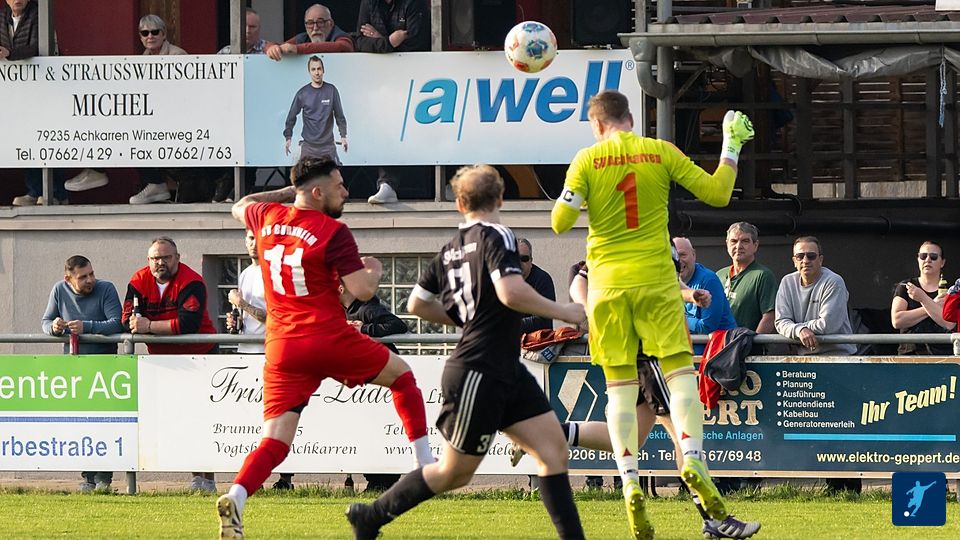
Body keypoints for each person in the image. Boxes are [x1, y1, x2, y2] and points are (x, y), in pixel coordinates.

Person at [551, 89, 754, 539]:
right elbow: (718, 193)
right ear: (630, 119)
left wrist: (573, 196)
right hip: (657, 286)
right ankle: (694, 462)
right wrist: (731, 145)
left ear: (596, 124)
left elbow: (560, 222)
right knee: (681, 379)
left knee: (620, 393)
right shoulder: (659, 152)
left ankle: (629, 482)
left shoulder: (586, 159)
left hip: (608, 290)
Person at [346, 164, 587, 539]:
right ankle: (372, 515)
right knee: (454, 472)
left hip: (503, 367)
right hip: (479, 370)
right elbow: (510, 292)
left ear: (459, 204)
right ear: (501, 198)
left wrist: (468, 318)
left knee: (553, 450)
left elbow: (417, 304)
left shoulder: (451, 249)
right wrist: (565, 311)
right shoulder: (498, 234)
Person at [215, 157, 434, 540]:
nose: (346, 192)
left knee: (275, 440)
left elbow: (240, 204)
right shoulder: (332, 231)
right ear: (317, 192)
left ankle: (237, 495)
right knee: (402, 377)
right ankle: (424, 463)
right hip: (325, 335)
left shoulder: (267, 216)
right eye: (339, 185)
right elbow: (362, 291)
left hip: (282, 346)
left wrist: (288, 191)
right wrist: (375, 270)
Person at [512, 260, 760, 540]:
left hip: (638, 352)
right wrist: (591, 311)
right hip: (652, 352)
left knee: (632, 437)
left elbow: (667, 282)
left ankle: (542, 433)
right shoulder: (623, 242)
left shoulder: (653, 244)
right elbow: (580, 280)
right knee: (684, 437)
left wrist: (689, 295)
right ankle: (714, 519)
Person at [275, 282, 409, 492]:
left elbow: (398, 325)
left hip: (381, 377)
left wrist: (363, 329)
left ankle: (383, 480)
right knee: (363, 428)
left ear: (340, 289)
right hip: (364, 378)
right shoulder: (339, 310)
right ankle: (377, 480)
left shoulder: (366, 308)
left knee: (375, 427)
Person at [122, 237, 219, 492]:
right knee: (177, 420)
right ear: (148, 260)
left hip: (200, 358)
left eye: (166, 257)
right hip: (163, 362)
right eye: (156, 258)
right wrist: (142, 325)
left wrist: (149, 326)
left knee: (201, 418)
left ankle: (206, 479)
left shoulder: (191, 281)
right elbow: (126, 320)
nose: (161, 263)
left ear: (177, 258)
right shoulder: (138, 281)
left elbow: (188, 324)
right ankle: (194, 476)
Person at [774, 236, 859, 493]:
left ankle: (850, 487)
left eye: (811, 255)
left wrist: (798, 327)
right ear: (793, 260)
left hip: (839, 363)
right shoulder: (787, 282)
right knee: (819, 428)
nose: (805, 260)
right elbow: (780, 322)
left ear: (821, 259)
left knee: (843, 427)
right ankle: (831, 485)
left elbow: (828, 325)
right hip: (807, 362)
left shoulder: (834, 281)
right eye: (800, 256)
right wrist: (799, 331)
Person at [41, 255, 124, 493]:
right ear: (68, 279)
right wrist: (54, 327)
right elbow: (45, 321)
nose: (90, 280)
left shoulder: (106, 289)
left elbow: (116, 323)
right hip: (75, 369)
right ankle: (88, 478)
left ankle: (104, 478)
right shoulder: (59, 290)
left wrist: (87, 326)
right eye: (83, 277)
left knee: (105, 423)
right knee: (82, 423)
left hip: (105, 368)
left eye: (91, 274)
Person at [357, 0, 429, 205]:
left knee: (425, 132)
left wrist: (379, 39)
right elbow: (360, 42)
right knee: (386, 127)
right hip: (381, 81)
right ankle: (387, 185)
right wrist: (389, 41)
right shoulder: (369, 3)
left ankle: (445, 183)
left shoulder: (413, 3)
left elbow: (416, 42)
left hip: (417, 79)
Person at [4, 0, 67, 206]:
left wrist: (9, 54)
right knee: (27, 139)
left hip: (47, 88)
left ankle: (56, 193)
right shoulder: (3, 17)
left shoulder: (40, 15)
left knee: (50, 138)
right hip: (19, 91)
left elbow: (40, 47)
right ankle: (34, 191)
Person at [129, 14, 186, 205]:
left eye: (154, 32)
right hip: (153, 117)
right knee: (128, 133)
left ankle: (156, 184)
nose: (150, 36)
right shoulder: (142, 60)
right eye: (144, 33)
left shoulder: (177, 56)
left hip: (176, 118)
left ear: (164, 34)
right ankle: (155, 184)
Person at [674, 237, 736, 354]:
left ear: (694, 255)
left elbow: (707, 327)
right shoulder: (669, 281)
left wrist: (677, 318)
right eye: (674, 256)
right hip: (687, 351)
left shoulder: (708, 280)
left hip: (719, 355)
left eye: (682, 255)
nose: (678, 261)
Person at [891, 241, 954, 355]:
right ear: (918, 259)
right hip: (910, 354)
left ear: (942, 262)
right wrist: (932, 303)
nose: (927, 260)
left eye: (933, 257)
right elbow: (897, 320)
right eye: (923, 256)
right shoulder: (906, 286)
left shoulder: (952, 291)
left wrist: (923, 299)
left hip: (943, 355)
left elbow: (949, 324)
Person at [283, 55, 347, 166]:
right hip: (309, 146)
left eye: (319, 69)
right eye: (313, 69)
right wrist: (288, 137)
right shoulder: (302, 93)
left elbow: (339, 116)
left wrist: (343, 136)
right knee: (303, 175)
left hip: (328, 146)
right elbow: (291, 116)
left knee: (335, 174)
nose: (317, 73)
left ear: (323, 70)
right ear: (309, 72)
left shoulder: (331, 90)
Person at [716, 222, 778, 335]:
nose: (738, 246)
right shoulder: (719, 275)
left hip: (746, 344)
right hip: (719, 342)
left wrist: (753, 341)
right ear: (727, 244)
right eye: (733, 241)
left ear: (755, 245)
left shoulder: (763, 275)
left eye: (745, 241)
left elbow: (769, 316)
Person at [266, 3, 353, 61]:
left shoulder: (340, 36)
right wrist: (272, 48)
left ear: (331, 23)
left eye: (320, 22)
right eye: (310, 23)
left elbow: (343, 46)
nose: (315, 28)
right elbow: (279, 46)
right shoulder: (302, 38)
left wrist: (298, 49)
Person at [227, 230, 267, 354]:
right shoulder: (245, 273)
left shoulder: (273, 273)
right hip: (244, 347)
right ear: (245, 241)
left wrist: (241, 303)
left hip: (265, 349)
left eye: (259, 238)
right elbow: (245, 316)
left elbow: (275, 318)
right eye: (251, 238)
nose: (254, 244)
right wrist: (235, 321)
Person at [517, 238, 556, 333]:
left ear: (531, 261)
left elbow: (544, 320)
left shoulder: (542, 280)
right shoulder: (500, 280)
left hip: (536, 340)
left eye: (524, 259)